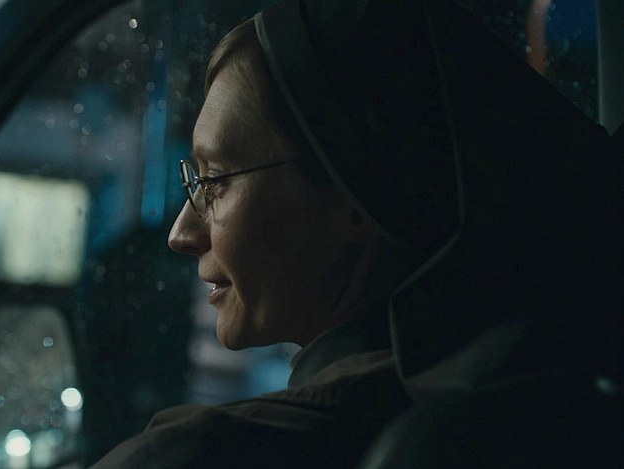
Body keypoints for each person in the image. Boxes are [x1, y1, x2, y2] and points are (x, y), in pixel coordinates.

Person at [92, 0, 621, 466]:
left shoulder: (197, 455)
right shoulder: (549, 403)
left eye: (214, 181)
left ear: (358, 193)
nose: (182, 233)